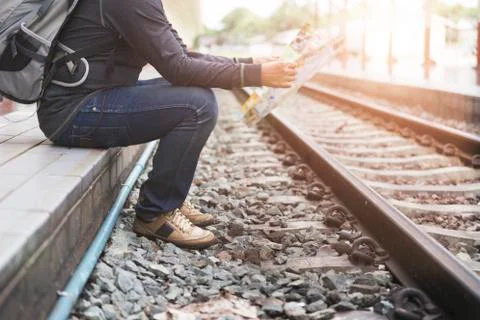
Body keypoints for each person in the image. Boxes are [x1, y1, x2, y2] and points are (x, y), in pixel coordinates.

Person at [38, 0, 297, 249]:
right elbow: (178, 68)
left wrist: (250, 64)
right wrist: (256, 75)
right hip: (72, 113)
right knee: (197, 105)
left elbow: (183, 55)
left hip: (87, 101)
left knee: (197, 96)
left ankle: (170, 196)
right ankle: (156, 214)